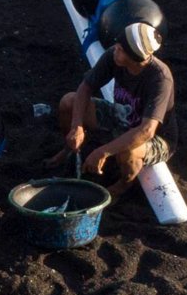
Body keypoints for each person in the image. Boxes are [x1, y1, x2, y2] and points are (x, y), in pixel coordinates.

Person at [55, 22, 174, 198]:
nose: (115, 50)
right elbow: (86, 87)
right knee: (68, 102)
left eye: (120, 49)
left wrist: (103, 151)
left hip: (155, 136)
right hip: (122, 115)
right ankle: (68, 150)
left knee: (130, 151)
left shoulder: (160, 78)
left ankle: (122, 186)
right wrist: (77, 125)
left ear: (135, 56)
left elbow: (147, 131)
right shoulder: (113, 56)